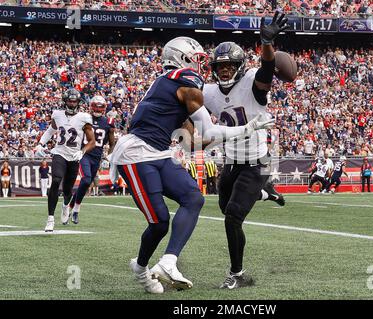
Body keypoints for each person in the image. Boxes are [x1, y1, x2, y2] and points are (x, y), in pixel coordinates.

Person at [108, 36, 273, 294]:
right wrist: (247, 128)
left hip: (159, 151)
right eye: (195, 59)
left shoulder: (169, 84)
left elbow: (192, 142)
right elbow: (208, 128)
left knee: (193, 198)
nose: (199, 66)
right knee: (160, 222)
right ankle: (141, 269)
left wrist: (203, 144)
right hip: (136, 153)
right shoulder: (184, 78)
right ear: (182, 59)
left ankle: (168, 262)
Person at [202, 11, 288, 289]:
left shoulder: (252, 82)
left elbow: (265, 73)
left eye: (230, 66)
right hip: (232, 162)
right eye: (220, 66)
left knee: (233, 217)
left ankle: (237, 274)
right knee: (225, 208)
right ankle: (266, 193)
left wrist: (266, 43)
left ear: (239, 66)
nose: (224, 70)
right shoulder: (209, 92)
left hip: (256, 162)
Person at [35, 88, 96, 232]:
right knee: (56, 180)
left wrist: (82, 152)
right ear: (65, 101)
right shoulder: (57, 114)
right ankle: (50, 218)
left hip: (74, 155)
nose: (72, 103)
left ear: (78, 102)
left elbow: (92, 141)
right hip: (59, 152)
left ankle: (65, 206)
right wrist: (40, 144)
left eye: (74, 101)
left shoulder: (84, 118)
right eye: (70, 100)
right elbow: (51, 130)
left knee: (68, 189)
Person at [68, 95, 116, 224]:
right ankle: (76, 210)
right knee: (86, 179)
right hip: (84, 154)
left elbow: (112, 143)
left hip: (97, 157)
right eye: (96, 107)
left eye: (100, 107)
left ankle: (71, 206)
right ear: (91, 107)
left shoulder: (109, 123)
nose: (98, 110)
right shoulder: (84, 119)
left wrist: (109, 156)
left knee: (86, 183)